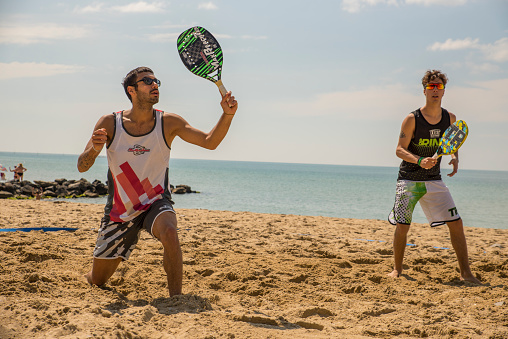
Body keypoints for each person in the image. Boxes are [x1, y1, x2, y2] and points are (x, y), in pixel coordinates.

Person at [77, 66, 237, 296]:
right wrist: (94, 148)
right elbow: (82, 166)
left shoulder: (168, 122)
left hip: (155, 202)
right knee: (98, 281)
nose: (155, 85)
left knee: (170, 231)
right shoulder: (110, 123)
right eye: (147, 81)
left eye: (156, 81)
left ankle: (176, 298)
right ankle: (93, 275)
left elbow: (210, 142)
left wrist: (227, 115)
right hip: (120, 211)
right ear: (131, 90)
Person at [387, 69, 481, 284]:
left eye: (439, 86)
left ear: (444, 91)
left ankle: (465, 273)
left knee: (456, 223)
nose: (435, 90)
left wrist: (455, 157)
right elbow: (399, 150)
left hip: (434, 179)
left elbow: (453, 141)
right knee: (403, 226)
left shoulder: (450, 118)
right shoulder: (412, 119)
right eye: (431, 87)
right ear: (424, 91)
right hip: (409, 179)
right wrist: (420, 160)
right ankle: (397, 269)